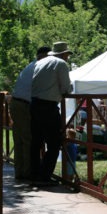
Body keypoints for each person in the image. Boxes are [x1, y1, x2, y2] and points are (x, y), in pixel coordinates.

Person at [30, 41, 73, 184]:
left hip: (35, 104)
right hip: (48, 106)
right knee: (55, 142)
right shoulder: (61, 64)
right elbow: (66, 89)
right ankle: (44, 176)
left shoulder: (40, 63)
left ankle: (34, 175)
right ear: (63, 54)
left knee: (36, 141)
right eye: (67, 54)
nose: (68, 58)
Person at [10, 46, 51, 180]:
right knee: (28, 140)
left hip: (16, 103)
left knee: (19, 140)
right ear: (44, 56)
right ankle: (27, 172)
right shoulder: (39, 67)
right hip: (24, 105)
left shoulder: (30, 66)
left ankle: (19, 171)